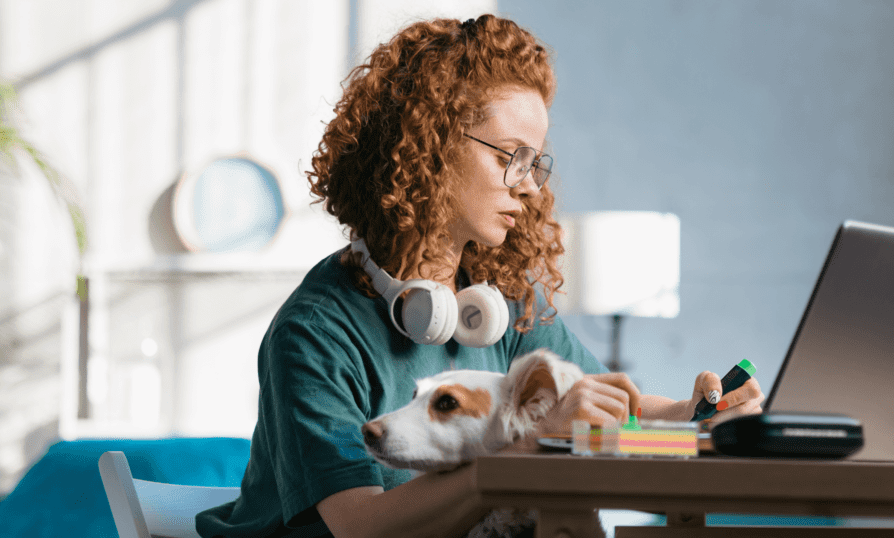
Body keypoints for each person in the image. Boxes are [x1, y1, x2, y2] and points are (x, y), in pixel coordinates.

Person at [196, 14, 763, 538]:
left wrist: (699, 420)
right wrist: (529, 452)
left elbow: (607, 421)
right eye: (510, 157)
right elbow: (362, 526)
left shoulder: (504, 305)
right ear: (431, 145)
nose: (530, 186)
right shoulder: (316, 331)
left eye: (535, 163)